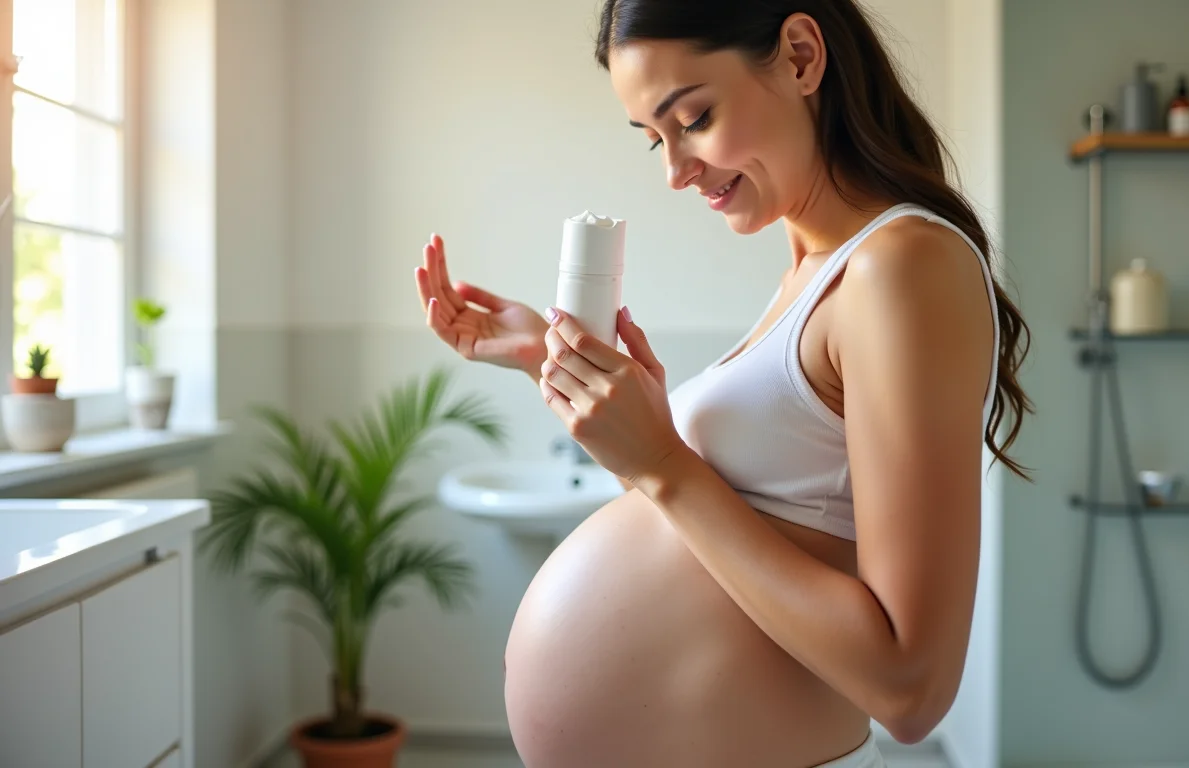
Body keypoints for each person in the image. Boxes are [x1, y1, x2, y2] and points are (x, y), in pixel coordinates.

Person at [415, 1, 1032, 766]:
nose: (676, 172)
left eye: (694, 117)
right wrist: (556, 354)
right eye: (654, 141)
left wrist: (663, 466)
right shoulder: (812, 274)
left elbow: (910, 686)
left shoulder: (899, 266)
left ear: (802, 56)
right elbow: (740, 526)